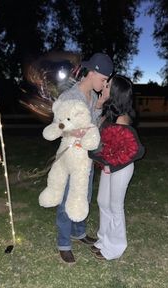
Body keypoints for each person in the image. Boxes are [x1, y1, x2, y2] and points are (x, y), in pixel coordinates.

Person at [56, 52, 114, 264]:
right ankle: (64, 243)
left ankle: (78, 232)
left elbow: (93, 126)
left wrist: (100, 106)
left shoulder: (95, 98)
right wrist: (70, 131)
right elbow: (58, 126)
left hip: (87, 158)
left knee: (85, 196)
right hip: (71, 156)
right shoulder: (69, 97)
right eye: (103, 79)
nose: (105, 83)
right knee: (67, 200)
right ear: (93, 73)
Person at [89, 75, 145, 260]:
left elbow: (130, 149)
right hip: (109, 166)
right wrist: (100, 103)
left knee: (115, 205)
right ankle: (104, 239)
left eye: (108, 85)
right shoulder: (109, 112)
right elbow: (98, 133)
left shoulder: (122, 119)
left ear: (115, 92)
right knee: (102, 201)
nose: (104, 86)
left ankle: (115, 248)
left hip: (121, 167)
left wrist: (109, 165)